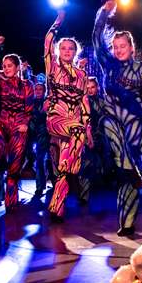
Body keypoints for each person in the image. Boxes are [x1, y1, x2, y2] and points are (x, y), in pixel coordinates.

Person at [93, 0, 142, 237]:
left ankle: (128, 222)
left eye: (123, 46)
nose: (119, 50)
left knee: (124, 172)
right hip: (112, 121)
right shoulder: (108, 65)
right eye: (115, 46)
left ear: (132, 48)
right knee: (108, 126)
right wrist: (104, 13)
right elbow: (96, 38)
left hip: (136, 126)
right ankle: (132, 175)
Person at [42, 11, 91, 221]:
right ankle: (74, 166)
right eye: (63, 48)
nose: (67, 51)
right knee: (75, 138)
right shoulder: (52, 68)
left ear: (76, 51)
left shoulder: (82, 75)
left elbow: (85, 103)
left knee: (62, 168)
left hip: (75, 125)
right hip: (56, 118)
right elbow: (47, 42)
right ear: (58, 51)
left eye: (71, 48)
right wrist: (58, 21)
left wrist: (88, 129)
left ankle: (57, 208)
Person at [0, 36, 36, 210]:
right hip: (1, 124)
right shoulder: (1, 82)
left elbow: (29, 108)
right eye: (4, 66)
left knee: (14, 168)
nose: (6, 68)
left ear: (17, 67)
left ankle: (11, 203)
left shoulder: (27, 85)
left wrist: (25, 123)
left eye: (9, 65)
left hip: (19, 126)